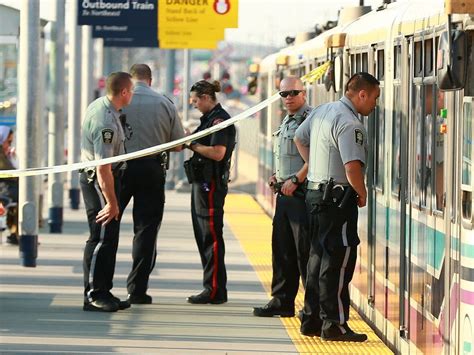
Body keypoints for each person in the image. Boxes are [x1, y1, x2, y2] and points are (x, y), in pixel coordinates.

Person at [294, 72, 380, 341]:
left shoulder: (322, 111)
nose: (375, 104)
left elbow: (299, 137)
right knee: (339, 261)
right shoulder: (349, 122)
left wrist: (314, 167)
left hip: (315, 195)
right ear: (361, 94)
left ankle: (311, 319)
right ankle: (335, 324)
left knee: (317, 257)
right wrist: (362, 192)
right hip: (337, 200)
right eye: (374, 98)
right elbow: (352, 167)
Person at [120, 64, 185, 304]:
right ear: (151, 79)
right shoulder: (164, 103)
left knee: (109, 224)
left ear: (130, 78)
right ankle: (137, 290)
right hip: (151, 169)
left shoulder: (118, 100)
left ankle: (100, 286)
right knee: (146, 230)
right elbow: (178, 145)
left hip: (120, 169)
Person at [253, 76, 311, 317]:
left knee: (304, 252)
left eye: (293, 93)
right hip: (285, 194)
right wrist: (277, 177)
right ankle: (282, 300)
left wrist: (296, 179)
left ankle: (311, 306)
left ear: (304, 93)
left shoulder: (311, 120)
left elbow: (315, 158)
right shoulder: (287, 121)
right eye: (283, 94)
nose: (288, 98)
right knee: (282, 249)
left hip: (302, 195)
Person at [80, 71, 134, 312]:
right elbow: (103, 167)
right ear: (124, 92)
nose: (132, 94)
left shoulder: (106, 108)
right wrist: (112, 203)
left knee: (109, 237)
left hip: (109, 178)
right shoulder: (105, 120)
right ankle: (93, 294)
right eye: (131, 90)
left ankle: (104, 289)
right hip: (100, 180)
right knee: (101, 237)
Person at [183, 80, 236, 304]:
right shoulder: (208, 120)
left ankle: (214, 290)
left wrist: (191, 145)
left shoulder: (219, 121)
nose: (193, 104)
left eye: (195, 100)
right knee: (203, 235)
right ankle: (211, 287)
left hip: (210, 185)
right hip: (202, 184)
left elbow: (217, 153)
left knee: (211, 236)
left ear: (206, 98)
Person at [0, 126, 18, 245]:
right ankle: (15, 233)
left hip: (6, 186)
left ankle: (15, 233)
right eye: (8, 141)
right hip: (4, 187)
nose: (9, 144)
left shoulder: (5, 153)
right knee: (22, 197)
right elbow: (8, 171)